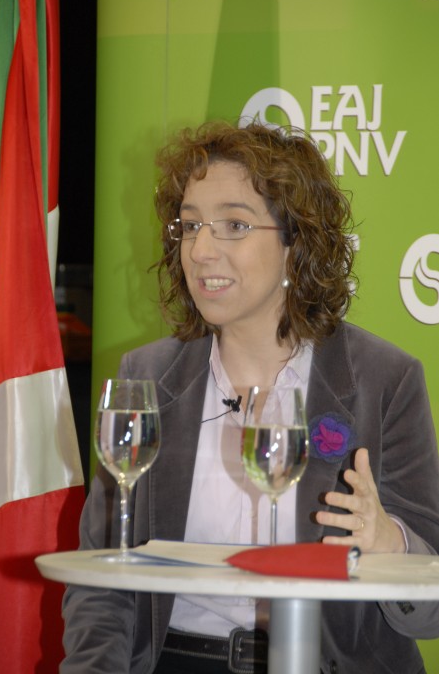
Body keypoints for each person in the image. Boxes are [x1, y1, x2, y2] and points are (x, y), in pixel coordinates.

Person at [61, 121, 439, 674]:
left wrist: (393, 545)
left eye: (234, 225)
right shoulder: (146, 378)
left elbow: (429, 613)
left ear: (295, 243)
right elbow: (101, 577)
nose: (201, 250)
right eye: (191, 225)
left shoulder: (384, 380)